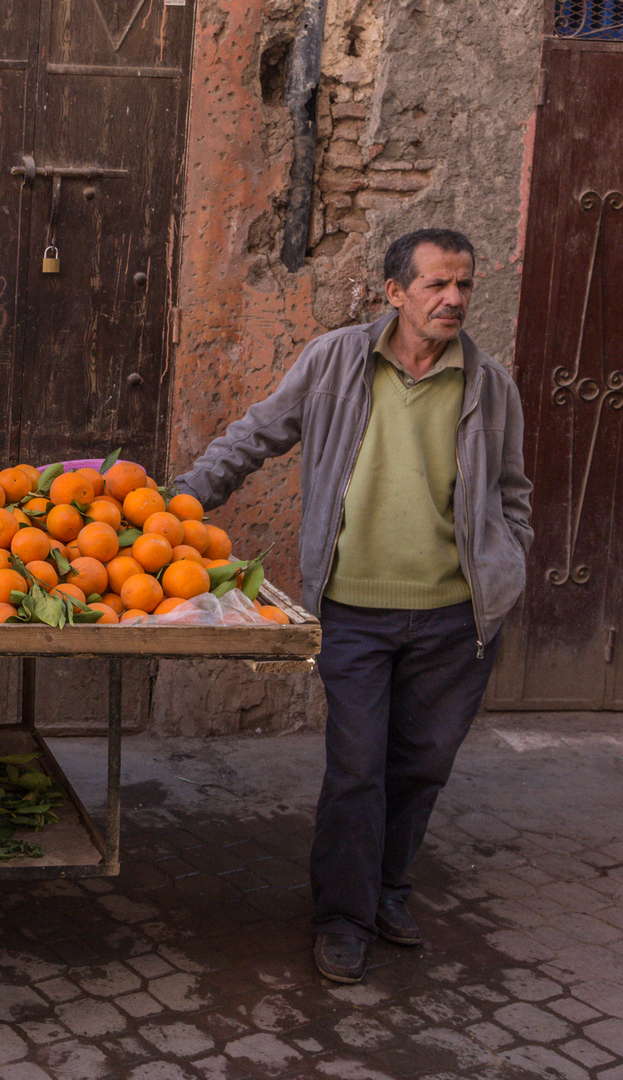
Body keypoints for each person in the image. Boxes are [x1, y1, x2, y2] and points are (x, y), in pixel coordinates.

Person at [173, 229, 534, 983]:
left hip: (456, 618)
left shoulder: (489, 384)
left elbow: (512, 494)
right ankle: (342, 915)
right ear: (395, 291)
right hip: (354, 612)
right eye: (437, 285)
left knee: (423, 764)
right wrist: (179, 505)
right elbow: (255, 434)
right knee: (358, 767)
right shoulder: (337, 360)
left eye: (464, 285)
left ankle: (388, 891)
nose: (454, 299)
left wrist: (510, 564)